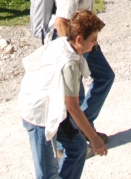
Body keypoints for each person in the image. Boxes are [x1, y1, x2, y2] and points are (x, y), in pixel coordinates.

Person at [20, 10, 108, 179]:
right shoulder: (70, 64)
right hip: (39, 115)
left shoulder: (63, 42)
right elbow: (74, 108)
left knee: (78, 148)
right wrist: (95, 139)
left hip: (55, 107)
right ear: (79, 39)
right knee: (48, 173)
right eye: (93, 40)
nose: (95, 46)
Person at [52, 0, 114, 148]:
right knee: (78, 91)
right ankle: (75, 137)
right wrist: (71, 53)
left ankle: (80, 130)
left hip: (81, 39)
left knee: (99, 79)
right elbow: (61, 21)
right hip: (74, 42)